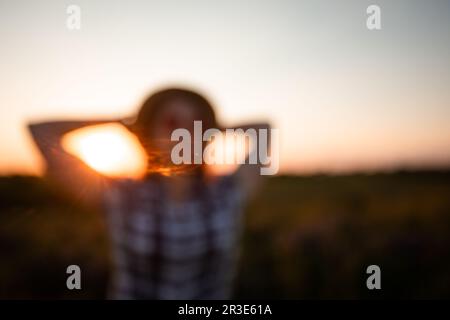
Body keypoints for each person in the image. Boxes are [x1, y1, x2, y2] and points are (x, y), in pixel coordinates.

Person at [28, 88, 271, 299]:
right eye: (172, 122)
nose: (185, 132)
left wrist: (212, 128)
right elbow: (40, 131)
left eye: (196, 122)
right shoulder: (120, 196)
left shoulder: (227, 192)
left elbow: (263, 129)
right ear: (149, 133)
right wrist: (118, 123)